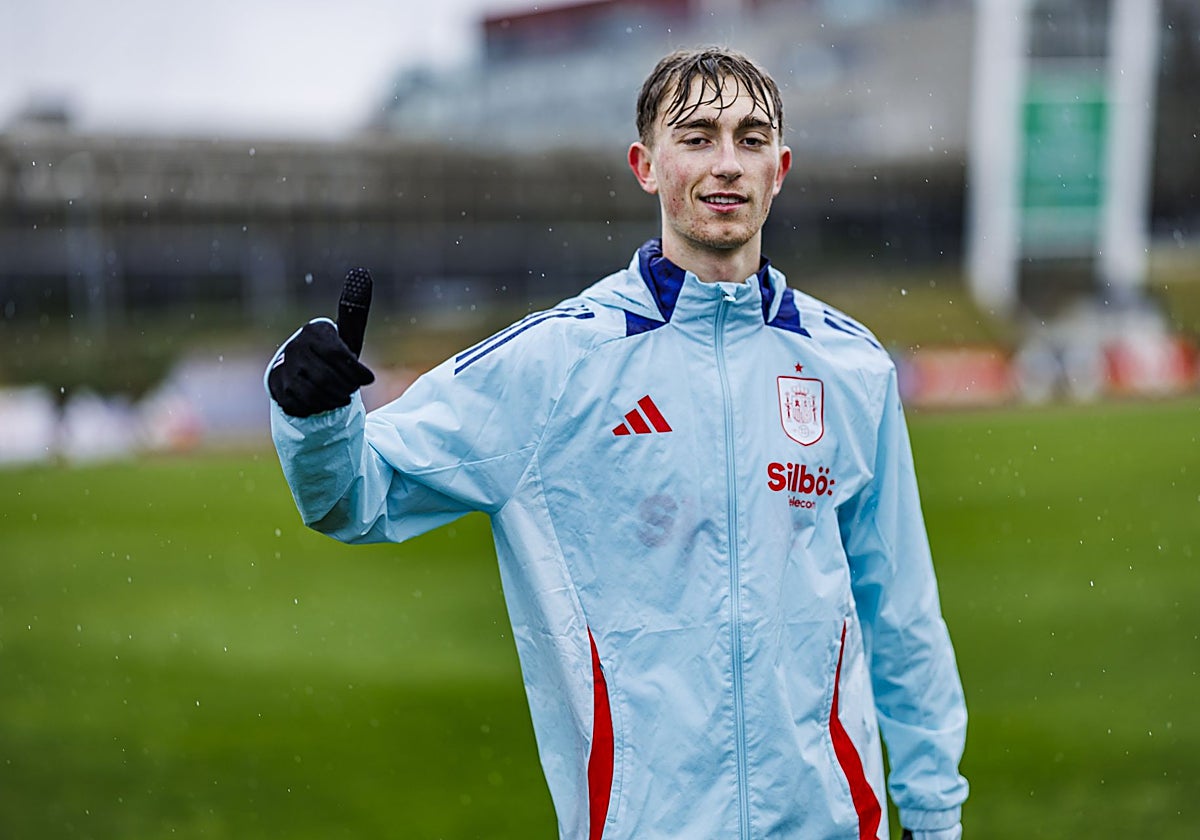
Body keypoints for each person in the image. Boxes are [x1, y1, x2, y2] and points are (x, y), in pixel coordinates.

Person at [266, 47, 968, 840]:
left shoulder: (852, 367)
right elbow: (355, 496)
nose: (727, 163)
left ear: (780, 168)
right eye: (697, 138)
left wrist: (934, 812)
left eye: (751, 138)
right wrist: (316, 418)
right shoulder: (554, 364)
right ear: (646, 165)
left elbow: (901, 613)